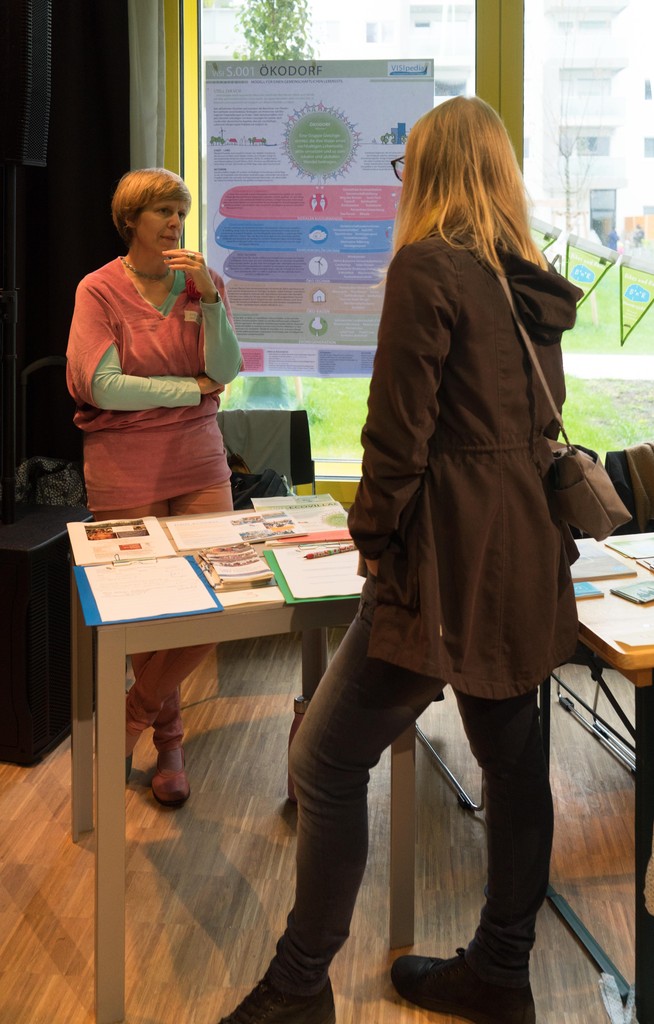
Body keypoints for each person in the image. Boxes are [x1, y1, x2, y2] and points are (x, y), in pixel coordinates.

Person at [216, 95, 584, 1024]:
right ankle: (502, 973)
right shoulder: (527, 279)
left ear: (428, 174)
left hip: (444, 565)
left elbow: (397, 437)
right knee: (514, 769)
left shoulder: (426, 268)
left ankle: (299, 986)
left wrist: (375, 542)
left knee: (325, 763)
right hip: (523, 556)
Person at [66, 167, 242, 807]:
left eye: (180, 211)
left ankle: (132, 716)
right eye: (163, 211)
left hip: (197, 453)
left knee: (220, 592)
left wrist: (212, 301)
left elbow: (227, 369)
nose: (175, 223)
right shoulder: (99, 290)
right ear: (131, 221)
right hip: (123, 461)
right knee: (145, 607)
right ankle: (169, 740)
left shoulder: (203, 286)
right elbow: (103, 387)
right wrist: (191, 390)